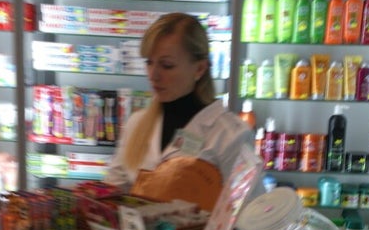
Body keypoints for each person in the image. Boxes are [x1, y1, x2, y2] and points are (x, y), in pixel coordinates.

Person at [105, 12, 260, 201]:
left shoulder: (231, 135)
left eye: (167, 65)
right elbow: (113, 192)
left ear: (200, 68)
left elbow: (248, 210)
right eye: (149, 62)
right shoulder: (136, 124)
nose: (153, 75)